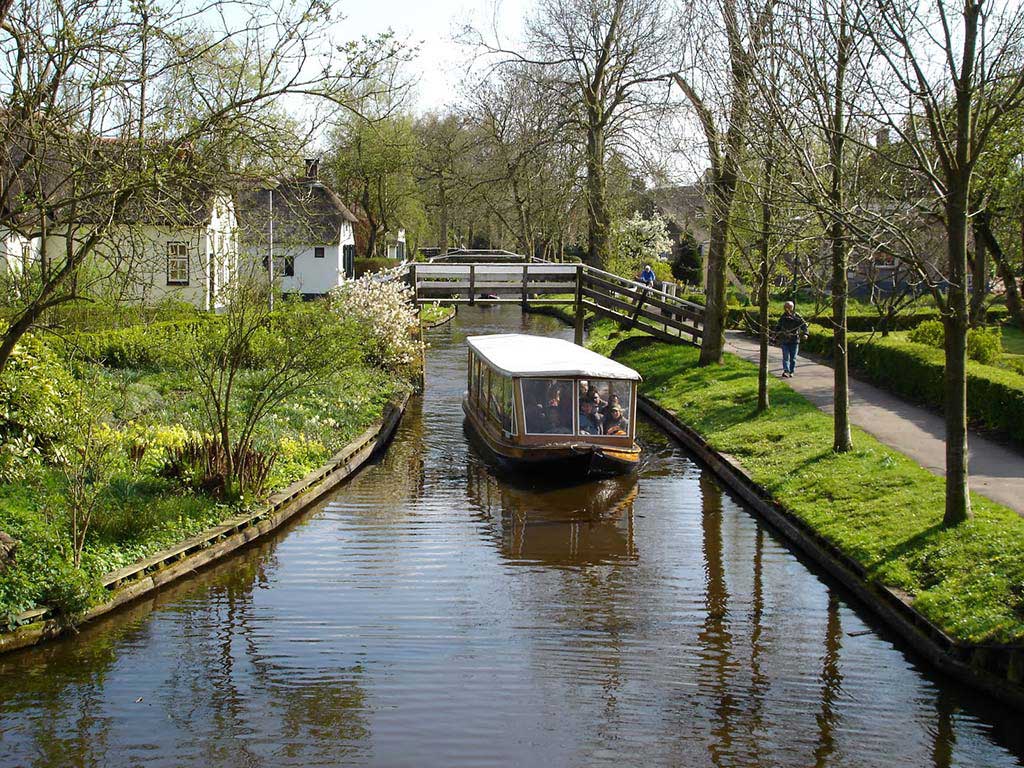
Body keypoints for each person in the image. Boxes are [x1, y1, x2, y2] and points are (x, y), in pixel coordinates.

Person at [775, 300, 808, 378]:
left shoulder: (797, 316)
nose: (786, 309)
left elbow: (804, 325)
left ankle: (791, 371)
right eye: (785, 307)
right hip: (784, 340)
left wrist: (805, 334)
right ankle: (786, 371)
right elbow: (778, 327)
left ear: (792, 308)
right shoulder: (783, 317)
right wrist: (776, 334)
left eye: (788, 307)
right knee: (785, 357)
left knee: (793, 358)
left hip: (794, 340)